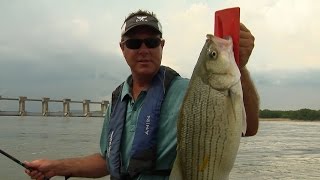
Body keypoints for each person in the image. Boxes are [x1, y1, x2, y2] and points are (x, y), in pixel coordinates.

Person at [25, 9, 259, 180]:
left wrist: (241, 67)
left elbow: (248, 128)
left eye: (152, 41)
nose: (144, 49)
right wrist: (56, 167)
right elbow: (107, 162)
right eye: (135, 43)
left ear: (162, 45)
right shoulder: (118, 100)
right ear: (122, 48)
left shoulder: (192, 90)